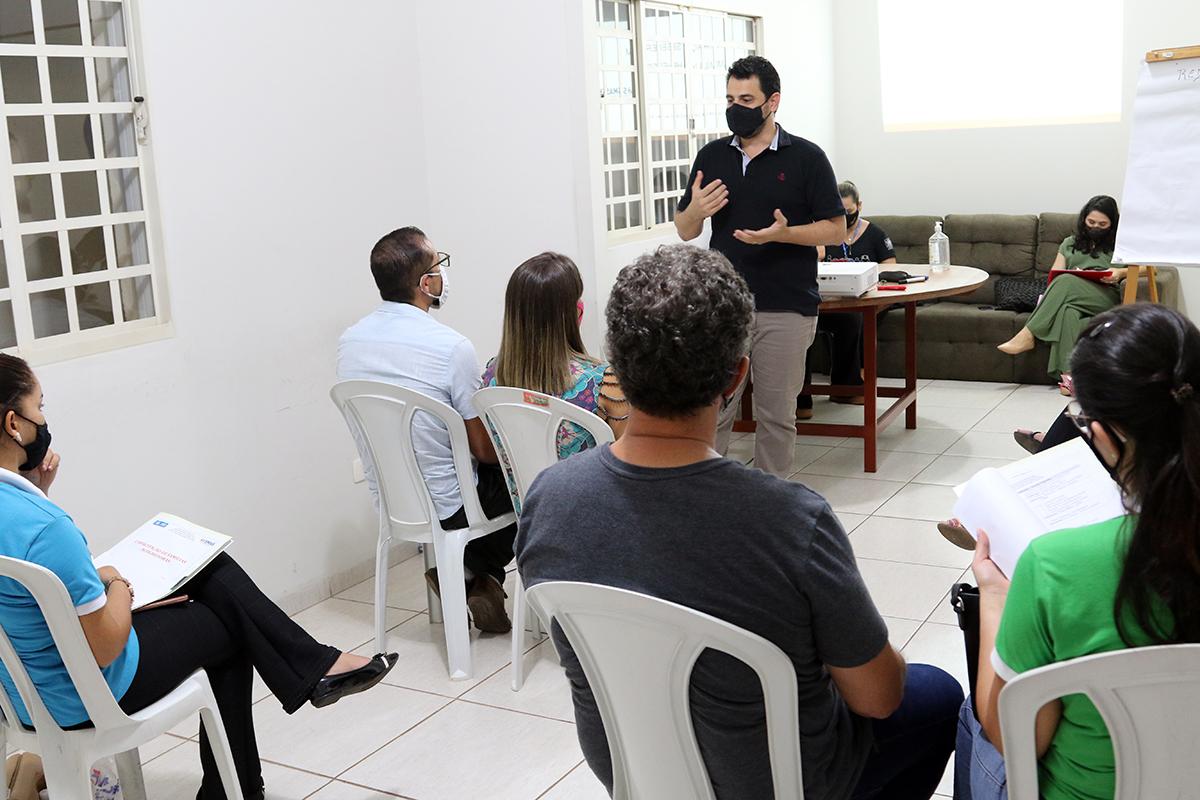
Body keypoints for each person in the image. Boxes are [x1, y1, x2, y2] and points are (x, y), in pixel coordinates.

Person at [517, 244, 963, 800]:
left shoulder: (548, 498)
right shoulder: (791, 520)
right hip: (783, 784)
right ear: (737, 376)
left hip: (631, 768)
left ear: (618, 372)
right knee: (936, 693)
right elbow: (879, 698)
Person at [0, 354, 397, 800]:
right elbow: (105, 644)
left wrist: (40, 490)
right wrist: (118, 586)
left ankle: (304, 685)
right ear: (15, 424)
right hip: (86, 696)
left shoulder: (24, 515)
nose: (44, 419)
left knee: (209, 577)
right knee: (230, 624)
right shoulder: (47, 527)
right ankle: (246, 772)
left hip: (21, 699)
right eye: (40, 407)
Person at [956, 303, 1200, 800]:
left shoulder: (1054, 564)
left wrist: (997, 594)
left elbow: (1016, 738)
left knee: (972, 712)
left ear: (1107, 433)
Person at [337, 227, 516, 634]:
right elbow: (485, 452)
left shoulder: (350, 342)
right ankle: (479, 573)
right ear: (425, 283)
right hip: (451, 506)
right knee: (528, 478)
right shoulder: (451, 347)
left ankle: (469, 574)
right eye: (439, 265)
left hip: (393, 500)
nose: (442, 274)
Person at [675, 55, 846, 477]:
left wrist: (784, 234)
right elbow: (684, 229)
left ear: (773, 102)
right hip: (722, 309)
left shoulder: (807, 157)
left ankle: (771, 506)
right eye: (730, 98)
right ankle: (704, 495)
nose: (736, 106)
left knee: (775, 417)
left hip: (785, 307)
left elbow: (837, 229)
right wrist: (695, 210)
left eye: (746, 98)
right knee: (710, 411)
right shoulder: (712, 156)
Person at [480, 252, 627, 511]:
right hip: (595, 527)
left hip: (530, 523)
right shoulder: (603, 384)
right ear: (573, 313)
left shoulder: (492, 378)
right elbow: (632, 463)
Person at [997, 196, 1124, 393]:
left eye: (1102, 224)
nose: (1095, 227)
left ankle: (1028, 333)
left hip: (1106, 296)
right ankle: (1070, 379)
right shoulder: (1069, 243)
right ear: (1083, 220)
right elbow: (1055, 275)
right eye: (1091, 222)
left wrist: (1120, 272)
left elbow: (1149, 270)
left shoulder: (1121, 244)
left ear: (1112, 224)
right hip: (1071, 295)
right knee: (1068, 311)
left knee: (1065, 282)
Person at [798, 180, 899, 417]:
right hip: (823, 301)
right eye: (839, 212)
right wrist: (818, 249)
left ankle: (846, 386)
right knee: (803, 322)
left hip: (861, 299)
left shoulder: (874, 233)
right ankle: (801, 397)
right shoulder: (822, 232)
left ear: (859, 206)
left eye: (849, 212)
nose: (845, 217)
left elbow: (890, 267)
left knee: (853, 319)